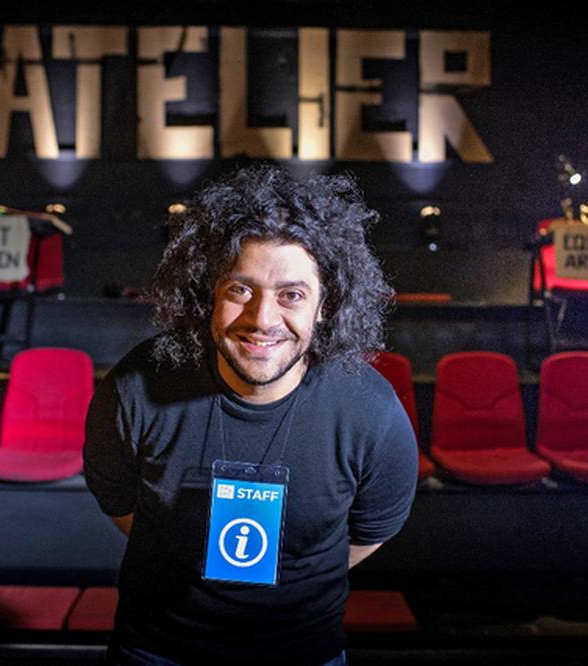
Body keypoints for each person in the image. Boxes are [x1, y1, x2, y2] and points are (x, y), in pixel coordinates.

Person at [84, 164, 418, 665]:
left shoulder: (371, 412)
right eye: (240, 289)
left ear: (325, 305)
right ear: (209, 294)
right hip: (157, 649)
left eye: (292, 295)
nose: (262, 319)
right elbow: (117, 502)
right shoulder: (135, 387)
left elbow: (370, 532)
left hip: (302, 654)